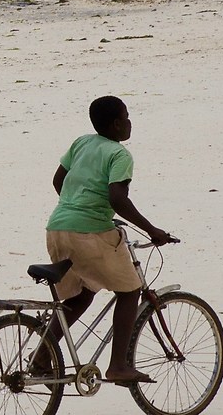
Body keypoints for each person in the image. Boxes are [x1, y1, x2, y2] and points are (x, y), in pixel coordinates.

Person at [39, 95, 178, 385]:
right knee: (130, 291)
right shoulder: (119, 155)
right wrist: (152, 230)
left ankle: (41, 356)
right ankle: (118, 366)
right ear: (116, 124)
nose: (129, 122)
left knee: (81, 293)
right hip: (89, 233)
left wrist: (78, 206)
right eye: (126, 117)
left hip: (57, 228)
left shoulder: (81, 143)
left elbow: (58, 181)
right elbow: (117, 198)